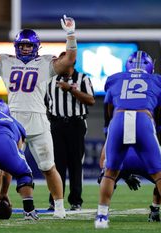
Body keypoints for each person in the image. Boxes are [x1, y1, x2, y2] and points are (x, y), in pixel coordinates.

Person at [0, 8, 77, 219]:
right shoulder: (7, 62)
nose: (25, 49)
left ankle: (59, 208)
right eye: (22, 45)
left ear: (36, 47)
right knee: (4, 167)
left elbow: (69, 59)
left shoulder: (45, 63)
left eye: (28, 45)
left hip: (37, 119)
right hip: (13, 121)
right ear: (16, 46)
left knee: (48, 167)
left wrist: (70, 35)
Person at [94, 50, 161, 229]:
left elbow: (107, 114)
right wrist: (160, 145)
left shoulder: (114, 79)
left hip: (118, 119)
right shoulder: (158, 81)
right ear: (150, 67)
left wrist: (109, 139)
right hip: (143, 119)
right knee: (160, 174)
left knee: (110, 173)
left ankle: (102, 218)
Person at [46, 51, 95, 211]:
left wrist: (72, 90)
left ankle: (76, 201)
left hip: (76, 124)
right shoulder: (51, 80)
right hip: (57, 124)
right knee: (56, 165)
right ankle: (55, 201)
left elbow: (91, 100)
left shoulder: (83, 79)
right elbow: (46, 102)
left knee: (75, 165)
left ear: (72, 64)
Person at [98, 141, 161, 223]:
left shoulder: (116, 125)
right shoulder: (151, 126)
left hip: (122, 160)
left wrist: (125, 176)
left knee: (106, 179)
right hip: (146, 159)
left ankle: (103, 213)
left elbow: (103, 161)